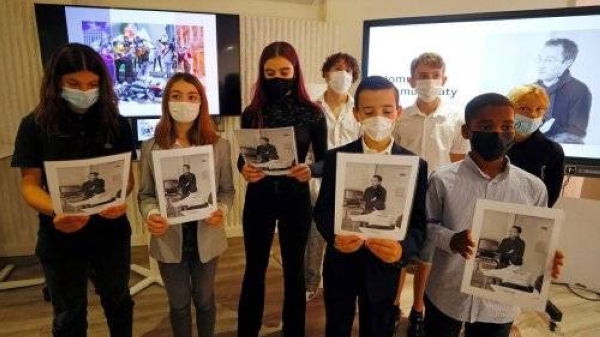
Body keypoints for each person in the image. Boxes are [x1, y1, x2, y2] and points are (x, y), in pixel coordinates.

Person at [11, 43, 135, 337]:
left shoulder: (117, 124)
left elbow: (127, 178)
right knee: (68, 313)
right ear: (56, 83)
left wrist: (121, 198)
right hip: (60, 235)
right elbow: (29, 185)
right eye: (74, 84)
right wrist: (58, 210)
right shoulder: (34, 126)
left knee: (118, 301)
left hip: (111, 232)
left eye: (92, 84)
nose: (85, 91)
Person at [423, 93, 564, 337]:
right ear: (467, 131)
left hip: (500, 304)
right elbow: (427, 226)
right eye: (486, 127)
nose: (498, 133)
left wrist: (546, 255)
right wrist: (451, 239)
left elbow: (537, 237)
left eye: (507, 126)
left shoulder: (533, 188)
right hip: (447, 291)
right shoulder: (442, 179)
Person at [314, 75, 428, 337]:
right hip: (341, 262)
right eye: (369, 111)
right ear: (357, 114)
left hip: (384, 267)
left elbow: (419, 222)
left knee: (377, 329)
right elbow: (322, 210)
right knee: (337, 326)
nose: (379, 117)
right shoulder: (336, 158)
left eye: (387, 110)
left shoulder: (415, 165)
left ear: (398, 112)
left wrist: (402, 250)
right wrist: (334, 236)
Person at [236, 41, 327, 337]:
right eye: (270, 72)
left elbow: (325, 160)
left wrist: (310, 170)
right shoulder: (252, 112)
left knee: (294, 271)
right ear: (262, 74)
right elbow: (242, 156)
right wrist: (244, 168)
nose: (277, 77)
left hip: (295, 199)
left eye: (284, 71)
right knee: (254, 269)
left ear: (295, 71)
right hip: (259, 198)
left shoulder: (312, 113)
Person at [138, 72, 235, 337]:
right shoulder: (151, 147)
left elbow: (227, 191)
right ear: (166, 102)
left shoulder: (220, 146)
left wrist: (222, 211)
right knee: (179, 305)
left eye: (192, 97)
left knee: (205, 301)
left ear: (201, 103)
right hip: (169, 239)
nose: (185, 102)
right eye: (176, 96)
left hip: (207, 236)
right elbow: (145, 195)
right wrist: (153, 213)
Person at [392, 52, 469, 337]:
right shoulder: (401, 117)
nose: (428, 81)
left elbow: (459, 163)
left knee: (427, 256)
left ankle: (419, 308)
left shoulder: (455, 118)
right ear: (411, 80)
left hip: (438, 197)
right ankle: (394, 304)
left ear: (444, 79)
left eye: (434, 75)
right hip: (404, 193)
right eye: (422, 76)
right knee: (400, 253)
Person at [305, 52, 361, 300]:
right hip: (316, 183)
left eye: (348, 70)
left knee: (347, 239)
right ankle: (309, 283)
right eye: (337, 68)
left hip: (351, 184)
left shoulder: (359, 110)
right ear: (326, 74)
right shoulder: (311, 109)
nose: (343, 74)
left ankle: (341, 285)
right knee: (315, 239)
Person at [506, 84, 565, 207]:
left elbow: (549, 198)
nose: (532, 114)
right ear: (509, 109)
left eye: (539, 109)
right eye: (524, 108)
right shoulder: (495, 143)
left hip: (529, 216)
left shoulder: (552, 151)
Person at [536, 38, 591, 144]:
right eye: (540, 59)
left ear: (567, 63)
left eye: (549, 60)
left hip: (558, 152)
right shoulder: (529, 89)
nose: (541, 65)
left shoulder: (579, 90)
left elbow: (576, 134)